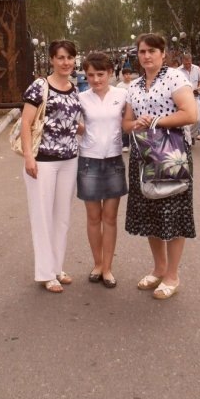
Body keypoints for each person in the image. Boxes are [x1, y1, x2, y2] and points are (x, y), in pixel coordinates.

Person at [122, 33, 197, 300]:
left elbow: (190, 114)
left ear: (163, 54)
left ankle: (172, 276)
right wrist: (137, 123)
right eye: (142, 51)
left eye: (152, 51)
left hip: (171, 154)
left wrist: (155, 121)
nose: (146, 56)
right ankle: (159, 268)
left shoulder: (175, 78)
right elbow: (126, 124)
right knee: (151, 213)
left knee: (173, 213)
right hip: (143, 156)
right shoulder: (134, 85)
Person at [21, 40, 81, 293]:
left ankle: (57, 267)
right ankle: (46, 273)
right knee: (43, 217)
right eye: (61, 57)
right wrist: (28, 157)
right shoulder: (40, 86)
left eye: (70, 57)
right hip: (43, 161)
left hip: (69, 160)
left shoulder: (74, 88)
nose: (66, 62)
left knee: (62, 218)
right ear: (52, 60)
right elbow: (26, 123)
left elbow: (73, 124)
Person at [77, 52, 128, 288]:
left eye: (100, 74)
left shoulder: (122, 95)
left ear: (109, 72)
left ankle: (107, 268)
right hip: (89, 160)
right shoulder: (80, 98)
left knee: (109, 217)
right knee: (93, 217)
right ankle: (97, 264)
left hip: (114, 161)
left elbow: (129, 121)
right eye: (91, 75)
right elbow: (73, 124)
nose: (96, 79)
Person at [178, 53, 200, 145]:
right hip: (184, 99)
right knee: (186, 121)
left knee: (197, 119)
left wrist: (198, 88)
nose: (187, 65)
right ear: (182, 61)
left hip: (195, 97)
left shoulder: (196, 69)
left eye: (189, 63)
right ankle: (188, 141)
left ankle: (191, 135)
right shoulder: (178, 71)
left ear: (191, 61)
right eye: (186, 63)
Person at [116, 66, 133, 151]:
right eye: (126, 74)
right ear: (123, 75)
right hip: (123, 109)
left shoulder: (134, 84)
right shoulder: (119, 86)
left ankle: (134, 144)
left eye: (129, 74)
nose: (128, 76)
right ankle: (125, 145)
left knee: (134, 126)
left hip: (133, 109)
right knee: (125, 127)